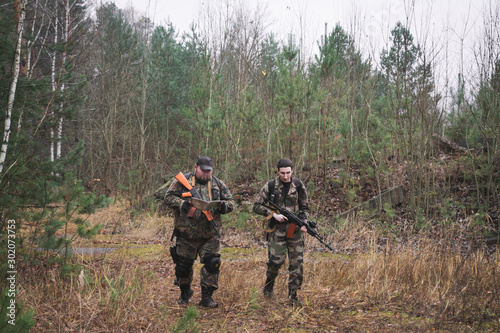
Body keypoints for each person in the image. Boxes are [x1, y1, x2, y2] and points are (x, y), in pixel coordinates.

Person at [154, 156, 234, 308]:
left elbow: (231, 202)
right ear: (196, 167)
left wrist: (224, 207)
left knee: (213, 263)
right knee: (183, 267)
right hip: (186, 235)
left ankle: (207, 298)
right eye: (203, 171)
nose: (206, 174)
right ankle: (185, 293)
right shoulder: (182, 181)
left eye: (209, 171)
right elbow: (168, 197)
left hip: (210, 235)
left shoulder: (217, 184)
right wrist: (181, 204)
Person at [253, 158, 310, 306]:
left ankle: (293, 296)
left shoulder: (298, 185)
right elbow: (256, 205)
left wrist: (304, 222)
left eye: (288, 173)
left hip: (295, 230)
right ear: (277, 171)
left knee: (297, 263)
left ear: (292, 171)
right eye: (283, 173)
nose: (285, 176)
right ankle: (269, 285)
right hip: (277, 230)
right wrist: (273, 215)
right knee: (276, 261)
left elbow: (305, 207)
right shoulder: (271, 185)